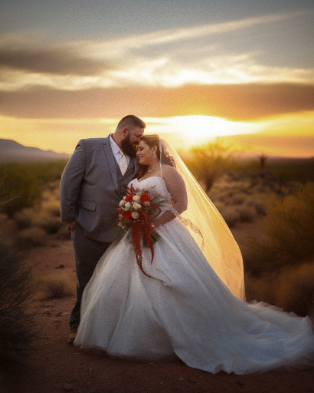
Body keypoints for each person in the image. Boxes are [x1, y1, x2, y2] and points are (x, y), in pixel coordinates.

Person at [73, 135, 314, 374]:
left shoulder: (169, 172)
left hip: (165, 233)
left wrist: (153, 224)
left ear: (155, 149)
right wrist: (132, 215)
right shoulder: (140, 175)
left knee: (172, 281)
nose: (138, 153)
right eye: (137, 150)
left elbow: (181, 204)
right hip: (135, 235)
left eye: (142, 149)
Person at [60, 115, 146, 343]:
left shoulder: (135, 155)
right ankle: (77, 327)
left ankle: (107, 329)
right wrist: (71, 220)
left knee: (115, 281)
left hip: (123, 232)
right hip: (88, 226)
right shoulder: (89, 146)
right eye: (137, 136)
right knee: (87, 279)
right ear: (125, 131)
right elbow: (69, 183)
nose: (139, 141)